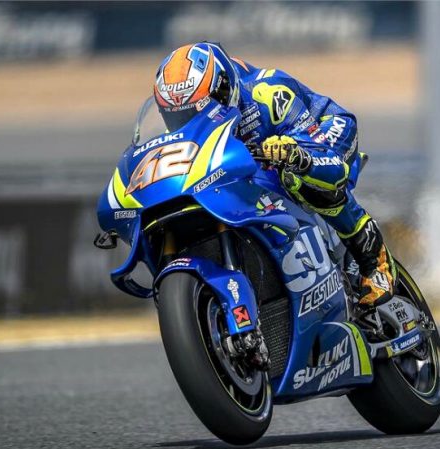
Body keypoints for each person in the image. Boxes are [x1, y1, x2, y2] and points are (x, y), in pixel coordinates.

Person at [153, 42, 395, 307]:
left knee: (299, 179)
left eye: (197, 110)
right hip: (265, 161)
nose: (190, 121)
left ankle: (374, 260)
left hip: (324, 132)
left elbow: (329, 162)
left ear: (224, 91)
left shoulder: (268, 95)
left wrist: (295, 154)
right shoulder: (183, 136)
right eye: (179, 116)